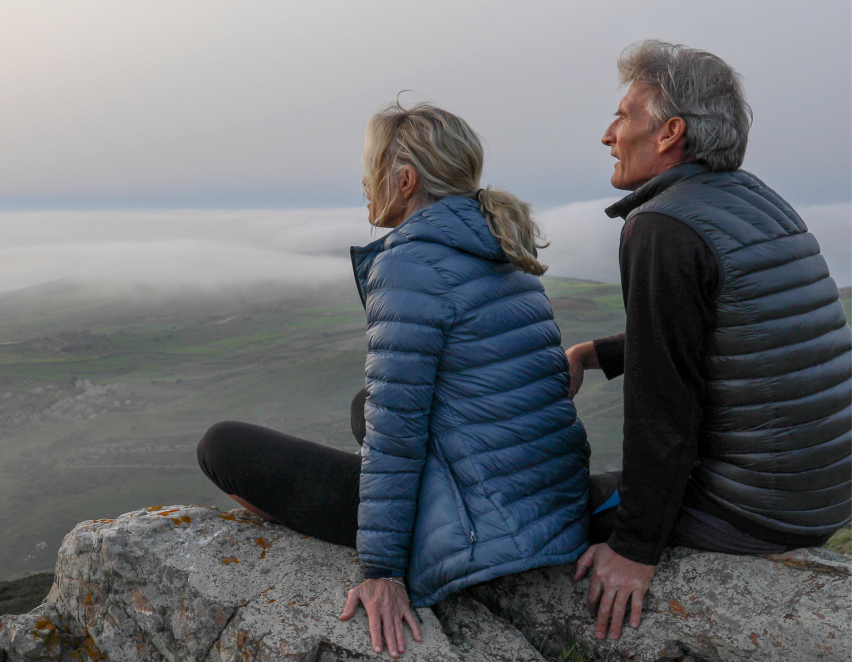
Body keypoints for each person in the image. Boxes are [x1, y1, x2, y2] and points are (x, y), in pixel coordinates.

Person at [197, 103, 590, 658]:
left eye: (371, 169)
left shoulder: (409, 265)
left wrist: (381, 569)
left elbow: (398, 436)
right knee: (367, 404)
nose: (363, 183)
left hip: (475, 531)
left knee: (223, 446)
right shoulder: (503, 247)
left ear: (405, 181)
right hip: (545, 506)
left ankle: (404, 543)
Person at [567, 40, 852, 641]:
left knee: (546, 505)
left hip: (754, 513)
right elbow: (724, 325)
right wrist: (596, 355)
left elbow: (663, 408)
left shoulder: (662, 225)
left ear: (669, 133)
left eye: (622, 116)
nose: (607, 134)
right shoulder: (756, 201)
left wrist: (636, 548)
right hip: (822, 497)